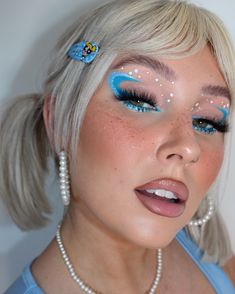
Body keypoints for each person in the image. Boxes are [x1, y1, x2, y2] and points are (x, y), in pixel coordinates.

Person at [1, 0, 235, 293]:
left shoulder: (220, 265)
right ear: (59, 121)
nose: (188, 147)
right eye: (139, 99)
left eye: (208, 122)